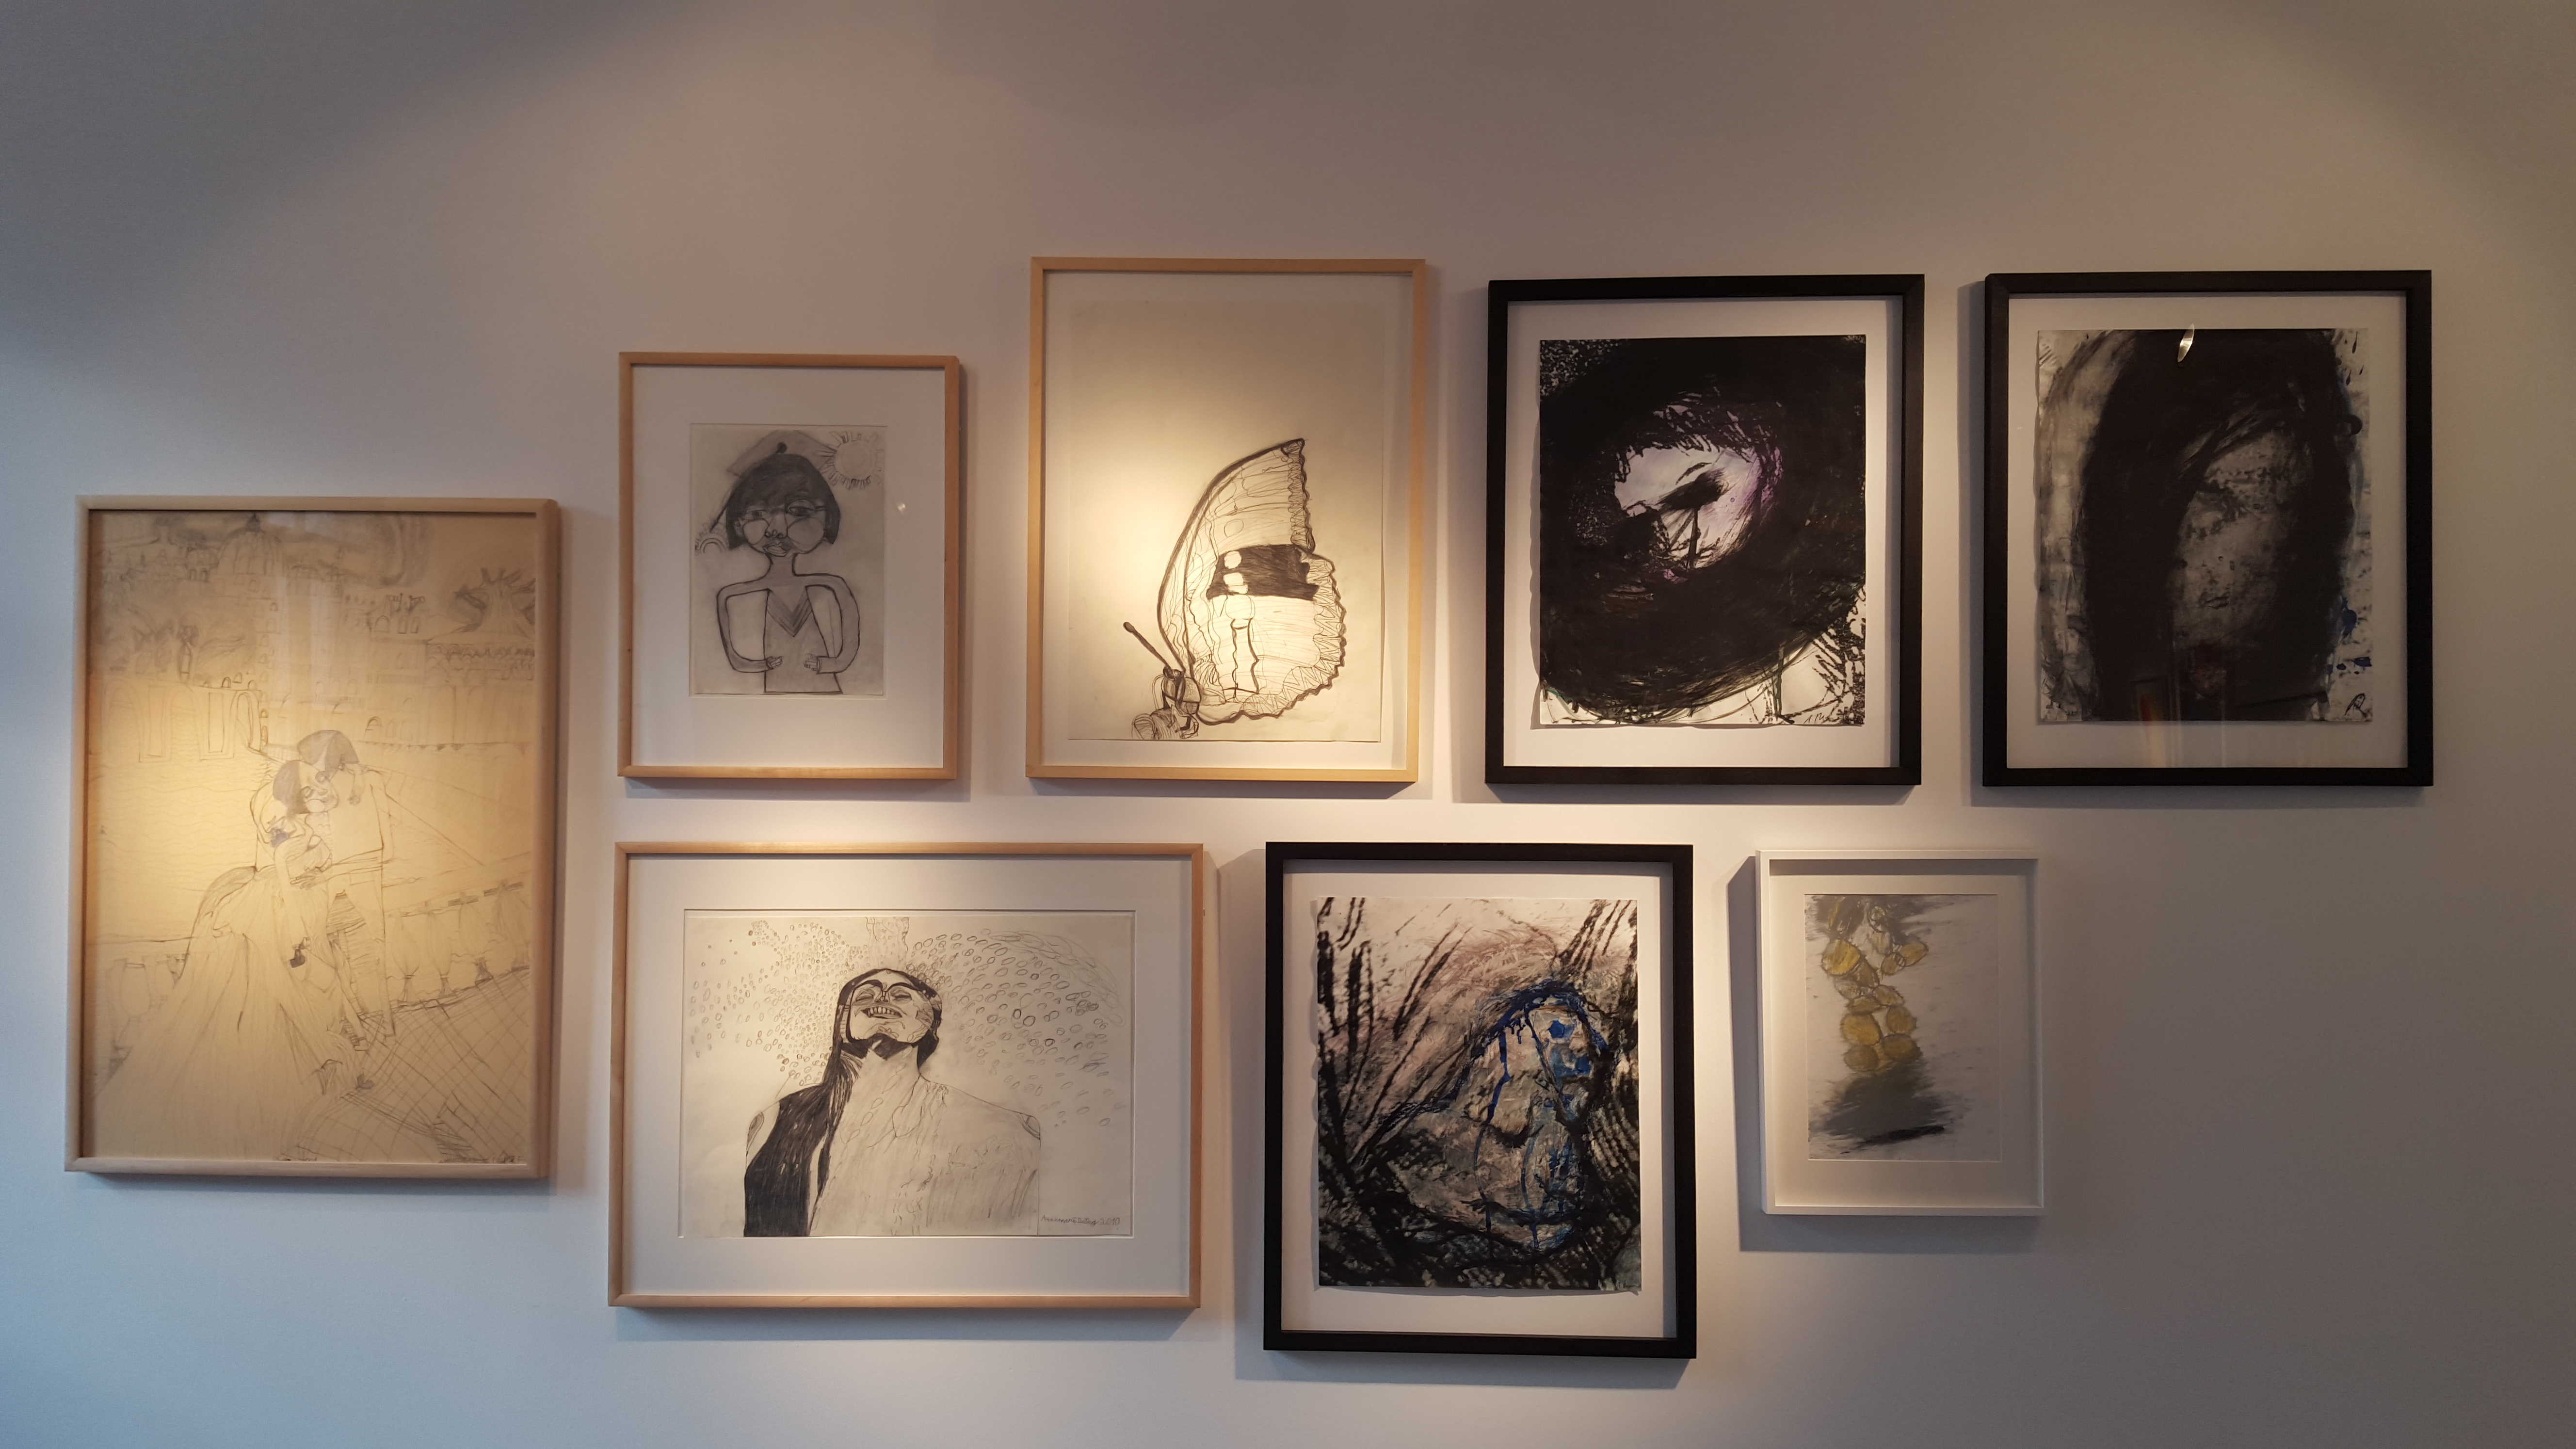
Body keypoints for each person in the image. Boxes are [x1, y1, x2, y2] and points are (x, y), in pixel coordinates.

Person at [93, 760, 355, 1159]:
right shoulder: (278, 816)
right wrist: (294, 908)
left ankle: (286, 1081)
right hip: (271, 905)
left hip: (282, 901)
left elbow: (301, 856)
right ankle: (261, 1099)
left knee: (282, 994)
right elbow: (278, 866)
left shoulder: (296, 817)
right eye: (308, 786)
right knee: (269, 993)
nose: (318, 790)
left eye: (317, 783)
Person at [742, 966, 1040, 1237]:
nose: (882, 998)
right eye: (866, 995)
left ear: (931, 1023)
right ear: (843, 1020)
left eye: (902, 995)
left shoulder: (999, 1132)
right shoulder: (776, 1118)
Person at [708, 441, 862, 694]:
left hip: (827, 697)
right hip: (773, 698)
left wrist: (831, 665)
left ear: (828, 519)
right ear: (738, 525)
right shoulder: (732, 595)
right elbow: (736, 660)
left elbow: (849, 645)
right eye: (757, 514)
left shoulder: (831, 586)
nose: (776, 530)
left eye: (799, 511)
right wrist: (757, 665)